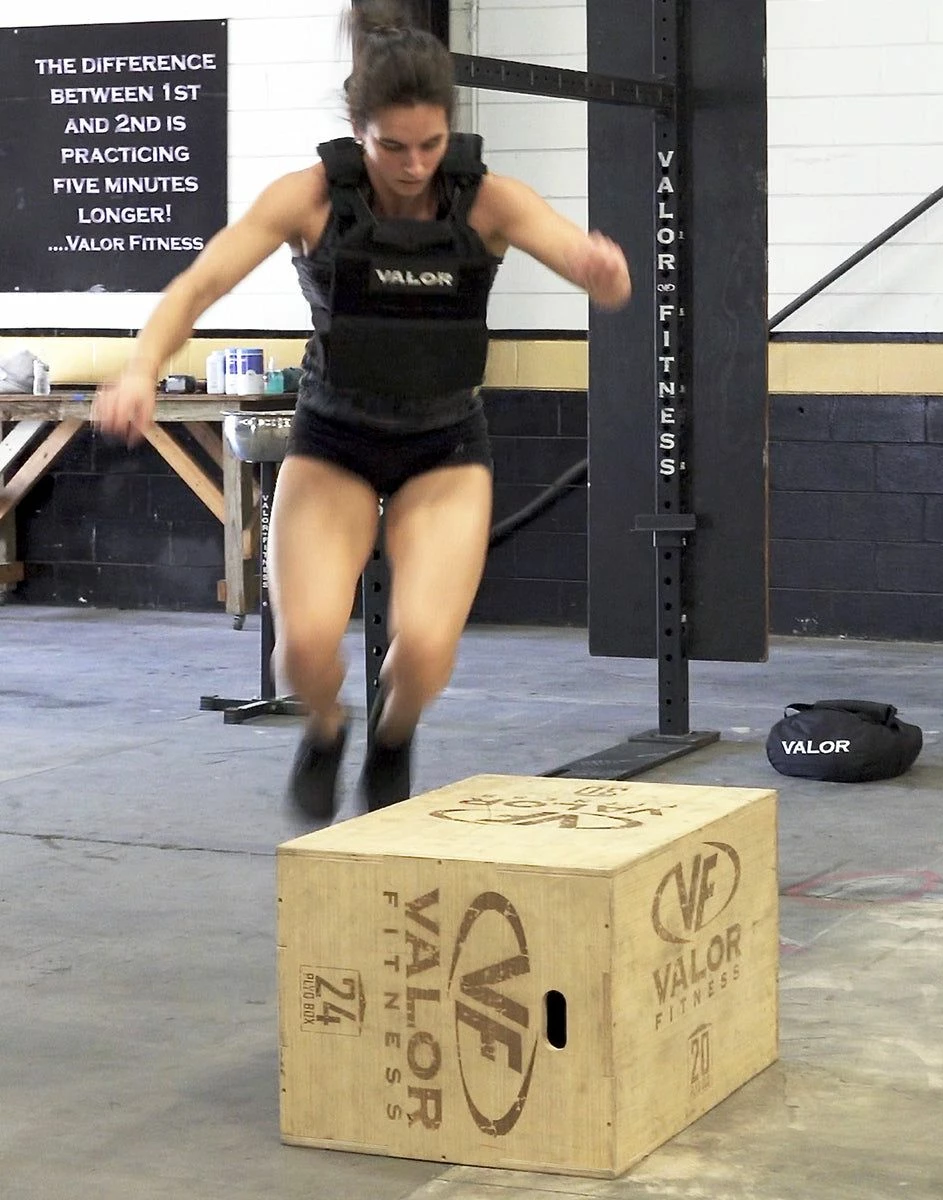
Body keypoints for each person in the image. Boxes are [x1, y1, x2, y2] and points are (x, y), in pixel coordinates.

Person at [93, 0, 632, 823]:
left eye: (431, 145)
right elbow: (198, 285)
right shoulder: (309, 199)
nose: (414, 166)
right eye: (392, 147)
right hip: (333, 442)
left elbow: (588, 265)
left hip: (443, 448)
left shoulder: (489, 200)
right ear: (358, 131)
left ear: (450, 130)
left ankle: (393, 732)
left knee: (426, 648)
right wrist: (141, 370)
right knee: (302, 651)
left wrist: (603, 273)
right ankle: (327, 724)